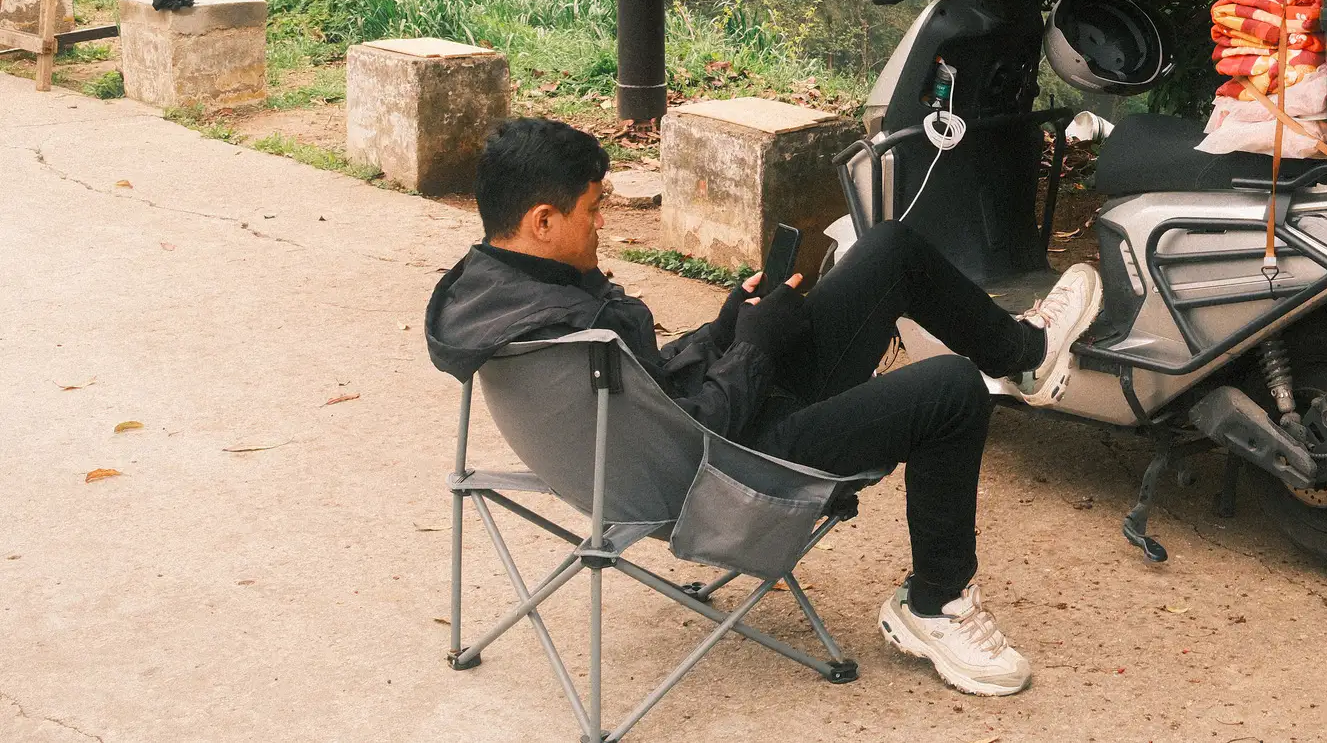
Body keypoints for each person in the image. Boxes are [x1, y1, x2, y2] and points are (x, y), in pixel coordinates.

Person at [424, 117, 1101, 697]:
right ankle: (937, 604)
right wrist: (753, 348)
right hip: (724, 479)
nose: (603, 223)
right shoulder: (565, 327)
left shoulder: (499, 293)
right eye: (593, 208)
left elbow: (651, 391)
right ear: (543, 221)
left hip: (705, 435)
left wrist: (726, 331)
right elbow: (691, 439)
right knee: (950, 389)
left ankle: (1023, 353)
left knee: (891, 250)